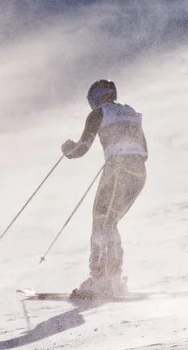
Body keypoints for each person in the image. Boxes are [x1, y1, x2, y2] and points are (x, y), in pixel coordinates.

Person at [61, 79, 148, 299]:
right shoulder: (133, 113)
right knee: (110, 222)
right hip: (138, 173)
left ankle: (100, 280)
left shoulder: (99, 113)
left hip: (117, 170)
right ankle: (114, 279)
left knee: (101, 221)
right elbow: (144, 151)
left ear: (93, 98)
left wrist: (68, 149)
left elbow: (81, 148)